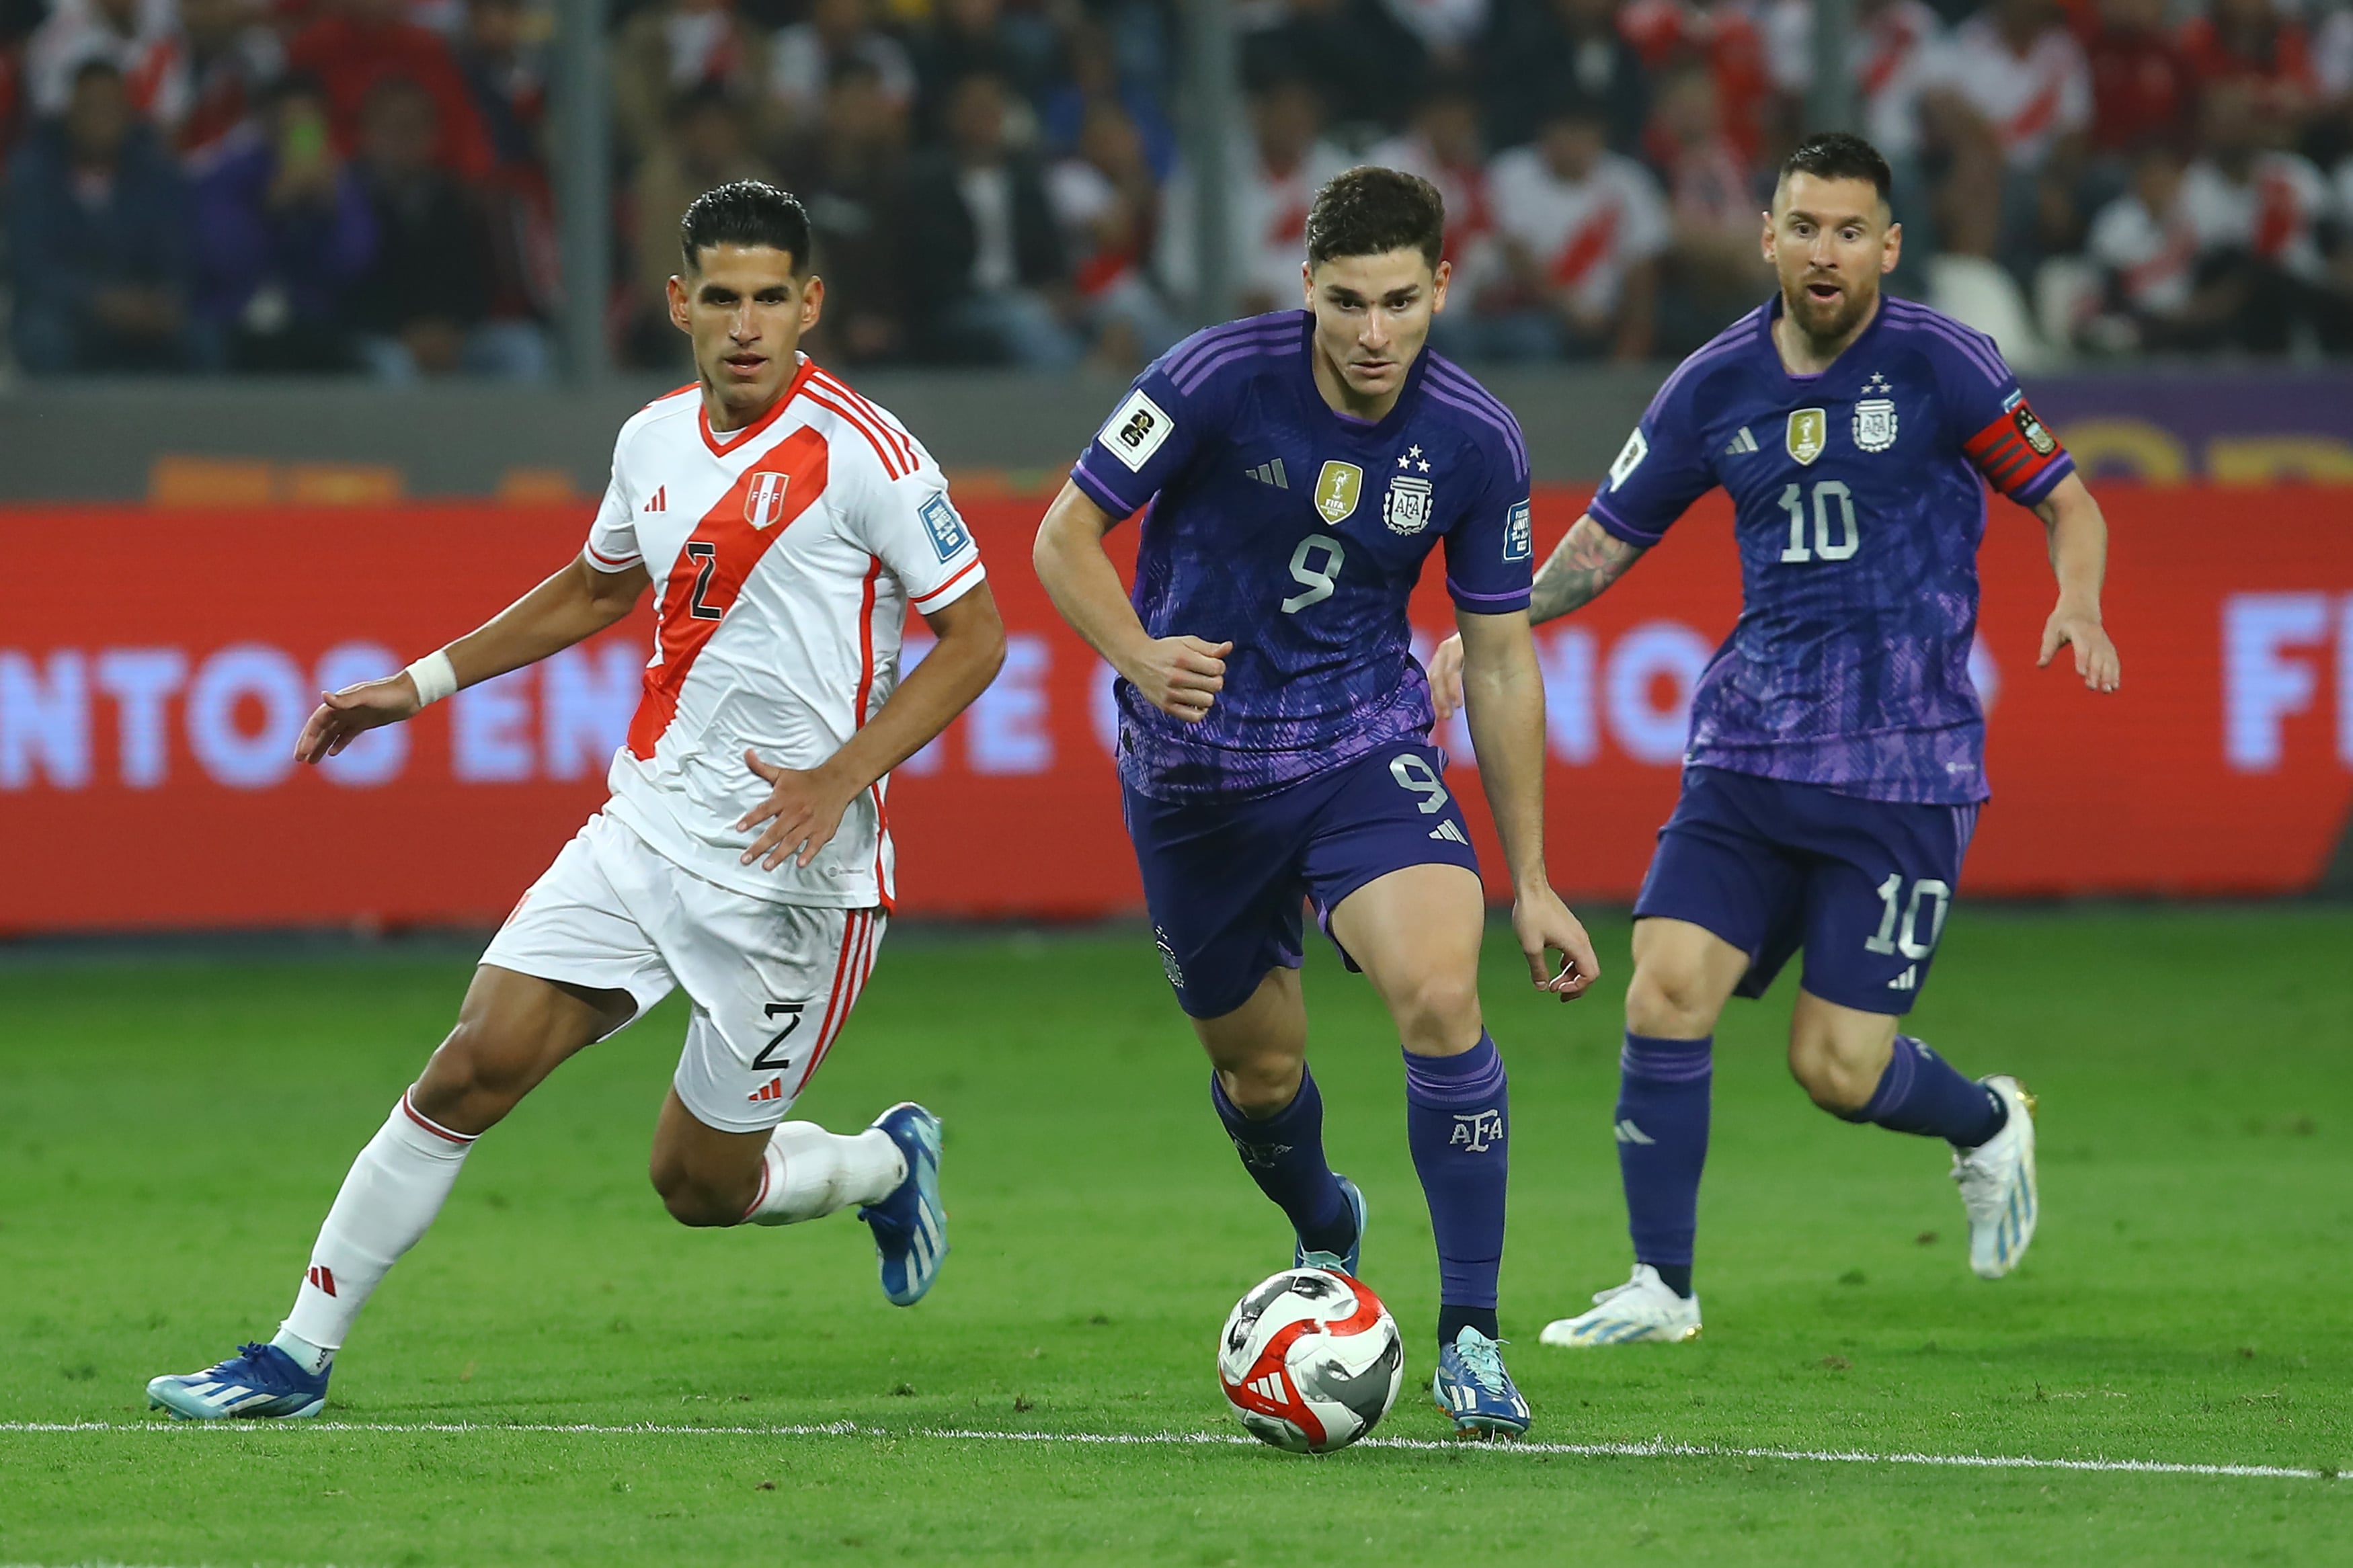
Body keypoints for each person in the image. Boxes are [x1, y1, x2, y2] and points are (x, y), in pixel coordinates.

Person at [146, 180, 1008, 1420]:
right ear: (680, 304)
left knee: (698, 1182)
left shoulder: (871, 457)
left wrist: (842, 774)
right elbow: (598, 588)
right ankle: (294, 1353)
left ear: (811, 304)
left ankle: (881, 1161)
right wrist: (422, 680)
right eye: (724, 297)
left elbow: (975, 637)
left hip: (796, 882)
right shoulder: (651, 441)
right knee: (467, 1069)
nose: (749, 323)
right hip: (647, 831)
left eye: (774, 297)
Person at [1430, 132, 2121, 1347]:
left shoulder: (1943, 364)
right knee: (1665, 984)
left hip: (1904, 764)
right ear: (1768, 235)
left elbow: (2064, 496)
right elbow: (1604, 540)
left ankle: (1984, 1121)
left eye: (1852, 231)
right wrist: (1495, 618)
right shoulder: (1711, 385)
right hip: (1749, 748)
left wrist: (2078, 597)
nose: (1826, 251)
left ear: (1888, 247)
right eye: (1805, 226)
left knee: (1836, 1068)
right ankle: (1663, 1284)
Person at [1033, 167, 1601, 1438]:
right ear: (1306, 289)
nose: (1375, 333)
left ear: (1443, 287)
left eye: (1402, 300)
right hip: (1196, 775)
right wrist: (1137, 652)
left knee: (1442, 993)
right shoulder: (1213, 379)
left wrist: (1537, 878)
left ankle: (1470, 1337)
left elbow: (1500, 656)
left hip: (1362, 743)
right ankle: (1324, 1226)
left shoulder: (1475, 440)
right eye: (1347, 301)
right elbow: (1064, 536)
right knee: (1259, 1067)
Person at [7, 58, 195, 374]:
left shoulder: (158, 174)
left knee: (199, 334)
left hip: (141, 310)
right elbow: (32, 268)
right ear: (70, 113)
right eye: (91, 107)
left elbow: (178, 254)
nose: (101, 119)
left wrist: (160, 300)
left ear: (128, 115)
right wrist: (100, 301)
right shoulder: (33, 175)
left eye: (111, 108)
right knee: (42, 336)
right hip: (66, 313)